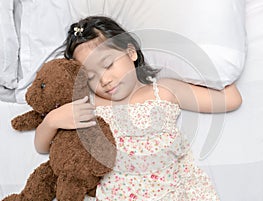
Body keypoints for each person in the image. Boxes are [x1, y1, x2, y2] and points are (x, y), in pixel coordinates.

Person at [34, 16, 242, 200]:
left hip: (170, 192)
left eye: (108, 65)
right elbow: (42, 147)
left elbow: (231, 99)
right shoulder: (89, 104)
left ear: (131, 52)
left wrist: (209, 64)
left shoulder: (164, 90)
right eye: (91, 76)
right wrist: (52, 120)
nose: (105, 80)